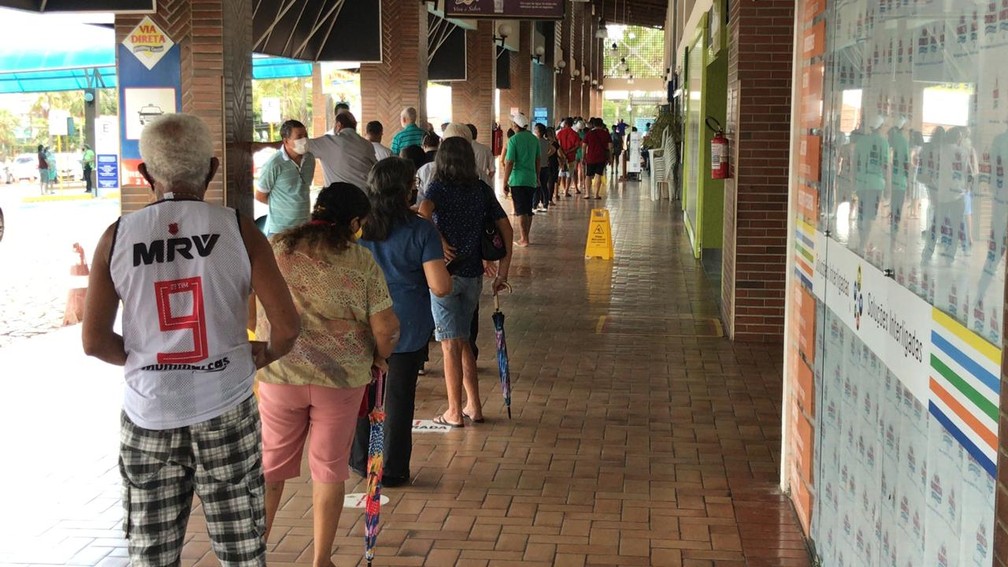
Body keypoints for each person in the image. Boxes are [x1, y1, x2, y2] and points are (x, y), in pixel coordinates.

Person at [81, 113, 301, 566]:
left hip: (148, 413)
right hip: (225, 404)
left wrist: (148, 361)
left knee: (152, 553)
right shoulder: (240, 230)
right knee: (241, 548)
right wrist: (261, 355)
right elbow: (288, 327)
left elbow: (93, 340)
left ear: (145, 175)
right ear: (213, 170)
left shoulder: (116, 237)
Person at [257, 182, 399, 566]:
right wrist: (379, 357)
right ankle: (321, 559)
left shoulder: (276, 249)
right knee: (329, 468)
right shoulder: (361, 261)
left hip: (279, 374)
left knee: (270, 466)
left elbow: (249, 301)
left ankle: (254, 554)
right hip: (341, 380)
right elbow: (386, 328)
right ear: (353, 221)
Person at [350, 157, 452, 486]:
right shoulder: (420, 230)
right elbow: (440, 285)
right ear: (404, 190)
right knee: (398, 397)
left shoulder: (357, 228)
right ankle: (392, 469)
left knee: (361, 394)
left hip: (361, 322)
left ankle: (360, 460)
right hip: (405, 326)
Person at [419, 137, 512, 426]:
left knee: (449, 344)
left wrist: (440, 239)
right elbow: (506, 228)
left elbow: (422, 213)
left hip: (444, 274)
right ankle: (475, 405)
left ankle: (454, 411)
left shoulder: (438, 187)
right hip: (473, 276)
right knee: (463, 340)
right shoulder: (481, 190)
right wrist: (502, 273)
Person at [255, 119, 316, 236]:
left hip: (304, 229)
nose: (304, 140)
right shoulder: (274, 164)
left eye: (305, 135)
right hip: (280, 230)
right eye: (299, 137)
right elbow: (260, 195)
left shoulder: (310, 159)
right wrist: (283, 204)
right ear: (286, 141)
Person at [305, 111, 376, 189]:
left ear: (338, 125)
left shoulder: (328, 142)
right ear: (355, 125)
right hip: (363, 196)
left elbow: (300, 146)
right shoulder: (367, 145)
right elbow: (374, 168)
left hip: (337, 197)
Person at [503, 112, 541, 247]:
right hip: (531, 179)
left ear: (515, 125)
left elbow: (509, 162)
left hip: (517, 180)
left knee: (520, 211)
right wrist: (537, 176)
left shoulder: (513, 140)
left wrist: (505, 181)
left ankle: (524, 239)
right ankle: (526, 236)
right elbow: (538, 159)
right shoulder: (534, 139)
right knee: (528, 209)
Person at [583, 118, 612, 199]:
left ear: (593, 124)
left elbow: (584, 146)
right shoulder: (606, 133)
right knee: (598, 175)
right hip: (601, 157)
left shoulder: (589, 133)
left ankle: (587, 194)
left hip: (590, 157)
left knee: (588, 175)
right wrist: (610, 158)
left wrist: (583, 157)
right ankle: (596, 194)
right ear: (602, 124)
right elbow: (610, 147)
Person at [532, 123, 555, 212]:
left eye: (535, 129)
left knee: (536, 187)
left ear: (539, 132)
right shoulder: (546, 142)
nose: (534, 130)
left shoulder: (534, 141)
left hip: (537, 167)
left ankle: (535, 205)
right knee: (544, 186)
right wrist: (546, 155)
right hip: (545, 167)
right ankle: (545, 204)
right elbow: (553, 150)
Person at [556, 118, 580, 196]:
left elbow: (557, 145)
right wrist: (569, 151)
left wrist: (562, 153)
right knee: (569, 174)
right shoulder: (575, 134)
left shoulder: (560, 133)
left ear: (565, 124)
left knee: (562, 172)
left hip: (561, 157)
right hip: (571, 157)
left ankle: (563, 188)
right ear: (572, 124)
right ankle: (566, 191)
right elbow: (577, 146)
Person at [468, 123, 496, 188]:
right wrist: (486, 180)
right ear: (476, 135)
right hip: (482, 184)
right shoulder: (486, 149)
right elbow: (492, 170)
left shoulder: (461, 150)